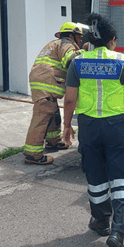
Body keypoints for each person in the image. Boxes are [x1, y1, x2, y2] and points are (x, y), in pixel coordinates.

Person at [63, 13, 124, 247]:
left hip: (89, 127)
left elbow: (69, 99)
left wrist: (67, 125)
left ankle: (100, 222)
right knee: (122, 177)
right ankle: (118, 232)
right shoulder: (122, 61)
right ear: (112, 40)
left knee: (96, 177)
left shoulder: (77, 63)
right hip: (117, 127)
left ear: (88, 41)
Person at [22, 22, 85, 165]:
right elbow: (70, 61)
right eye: (79, 38)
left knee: (53, 111)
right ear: (71, 35)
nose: (81, 41)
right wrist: (84, 53)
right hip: (46, 83)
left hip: (41, 80)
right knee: (42, 116)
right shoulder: (67, 44)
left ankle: (53, 141)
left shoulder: (54, 44)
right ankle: (33, 154)